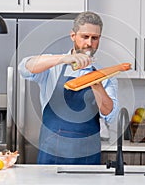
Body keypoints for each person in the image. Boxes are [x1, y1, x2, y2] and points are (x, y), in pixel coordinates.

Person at [18, 11, 119, 165]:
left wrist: (96, 82)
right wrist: (63, 59)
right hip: (51, 154)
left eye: (95, 38)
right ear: (73, 36)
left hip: (86, 156)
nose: (89, 43)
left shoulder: (105, 76)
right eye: (84, 37)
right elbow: (24, 67)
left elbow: (109, 114)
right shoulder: (54, 67)